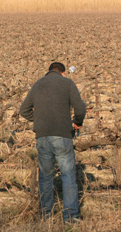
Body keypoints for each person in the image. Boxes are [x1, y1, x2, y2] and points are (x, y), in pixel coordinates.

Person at [20, 62, 86, 222]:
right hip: (63, 135)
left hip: (42, 136)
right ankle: (71, 216)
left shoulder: (38, 84)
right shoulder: (67, 83)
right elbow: (81, 109)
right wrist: (77, 123)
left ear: (48, 71)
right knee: (68, 175)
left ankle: (45, 216)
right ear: (63, 73)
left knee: (45, 176)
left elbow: (23, 110)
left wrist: (39, 120)